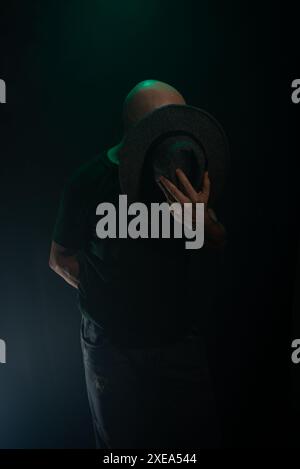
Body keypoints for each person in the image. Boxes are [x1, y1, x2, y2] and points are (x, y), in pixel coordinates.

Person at [49, 79, 228, 448]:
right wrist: (107, 291)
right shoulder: (88, 182)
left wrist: (201, 223)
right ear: (134, 130)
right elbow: (59, 258)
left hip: (177, 340)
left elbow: (219, 240)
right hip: (111, 347)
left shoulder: (184, 167)